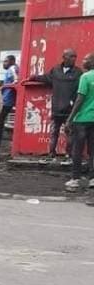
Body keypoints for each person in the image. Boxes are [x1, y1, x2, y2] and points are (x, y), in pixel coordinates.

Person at [30, 49, 83, 160]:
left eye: (75, 56)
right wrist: (33, 77)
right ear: (64, 57)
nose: (74, 58)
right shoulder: (56, 70)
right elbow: (46, 78)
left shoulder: (79, 73)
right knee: (54, 132)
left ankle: (69, 155)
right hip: (56, 108)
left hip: (70, 109)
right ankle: (51, 153)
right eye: (71, 56)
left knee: (69, 133)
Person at [63, 52, 94, 196]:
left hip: (81, 120)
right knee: (92, 150)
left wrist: (70, 118)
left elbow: (79, 100)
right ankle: (92, 179)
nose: (83, 60)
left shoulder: (85, 77)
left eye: (86, 59)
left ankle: (75, 179)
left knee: (77, 150)